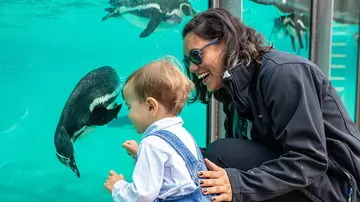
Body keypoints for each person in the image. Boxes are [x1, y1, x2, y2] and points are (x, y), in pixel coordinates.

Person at [182, 7, 360, 202]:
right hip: (305, 185)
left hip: (338, 190)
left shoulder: (283, 73)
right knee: (204, 161)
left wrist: (240, 185)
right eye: (187, 60)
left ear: (225, 42)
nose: (192, 67)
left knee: (221, 154)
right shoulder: (235, 90)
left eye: (196, 55)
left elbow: (310, 160)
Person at [103, 56, 213, 202]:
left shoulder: (152, 145)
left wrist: (118, 187)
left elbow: (142, 196)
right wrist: (139, 154)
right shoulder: (183, 134)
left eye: (130, 107)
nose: (128, 114)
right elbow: (173, 171)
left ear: (151, 106)